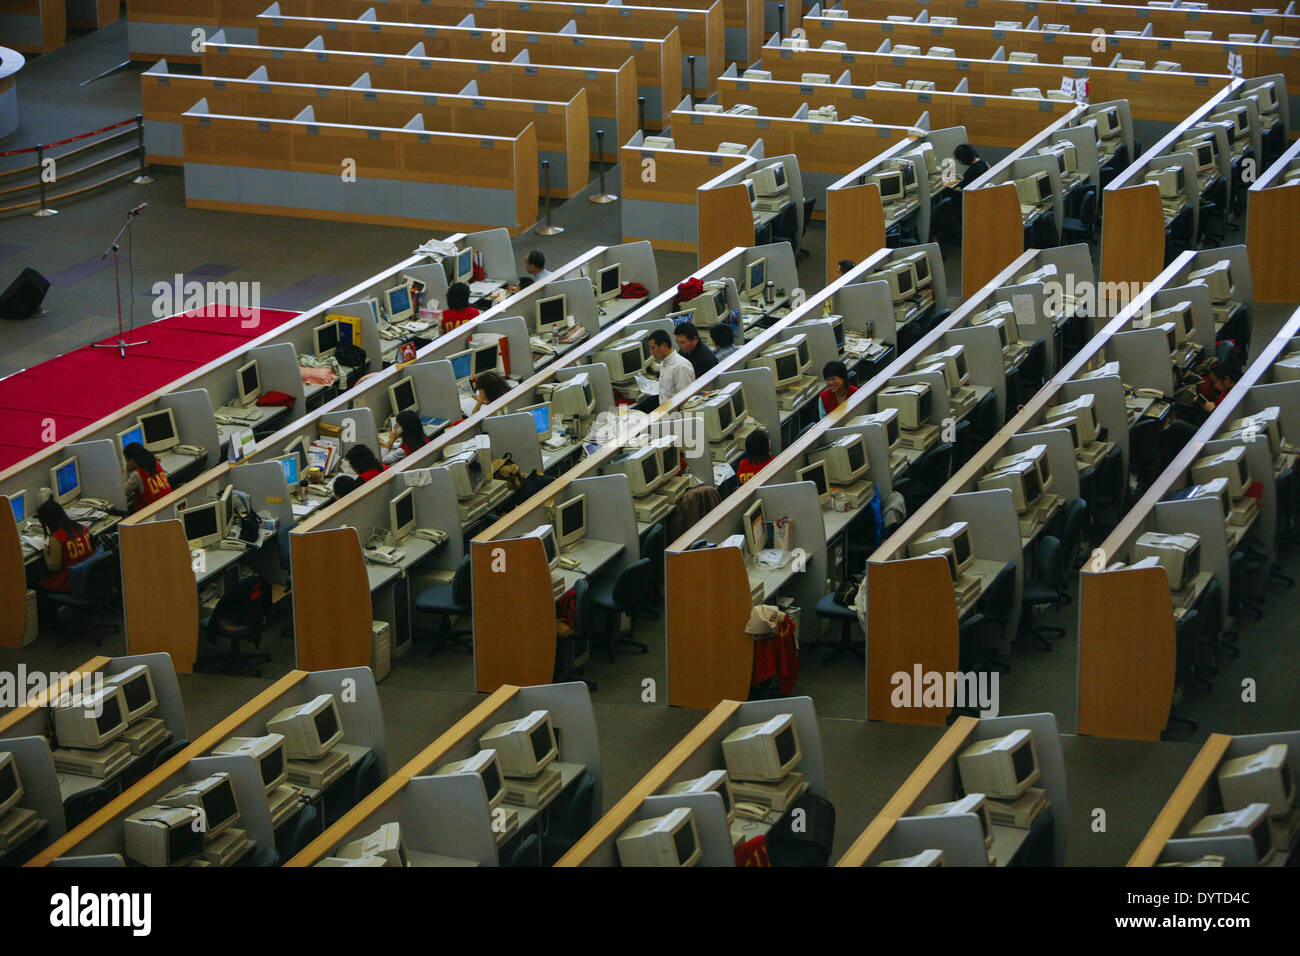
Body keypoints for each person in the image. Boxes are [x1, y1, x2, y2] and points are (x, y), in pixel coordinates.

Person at [36, 499, 95, 594]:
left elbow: (54, 567)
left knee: (35, 579)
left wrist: (46, 553)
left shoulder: (57, 538)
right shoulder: (81, 528)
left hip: (70, 582)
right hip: (87, 577)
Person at [123, 442, 173, 512]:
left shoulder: (137, 474)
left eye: (126, 460)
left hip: (153, 514)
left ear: (131, 460)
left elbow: (123, 491)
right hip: (169, 507)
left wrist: (127, 470)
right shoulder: (155, 463)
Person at [648, 328, 694, 404]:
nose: (651, 352)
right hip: (665, 411)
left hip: (675, 414)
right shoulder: (664, 362)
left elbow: (686, 401)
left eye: (653, 348)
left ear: (664, 346)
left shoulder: (681, 366)